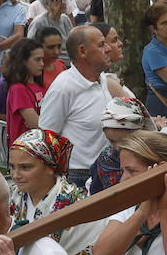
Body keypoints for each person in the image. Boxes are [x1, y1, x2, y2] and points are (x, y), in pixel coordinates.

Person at [38, 25, 112, 187]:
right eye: (101, 45)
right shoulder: (63, 87)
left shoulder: (102, 79)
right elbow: (46, 137)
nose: (108, 49)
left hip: (107, 169)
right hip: (78, 177)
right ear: (82, 51)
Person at [1, 37, 46, 146]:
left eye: (42, 59)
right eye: (37, 59)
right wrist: (43, 122)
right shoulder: (18, 89)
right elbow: (36, 125)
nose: (42, 64)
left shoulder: (39, 85)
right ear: (23, 61)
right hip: (25, 150)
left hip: (40, 145)